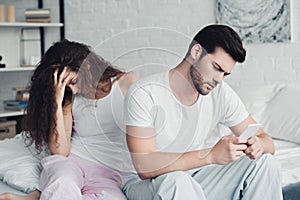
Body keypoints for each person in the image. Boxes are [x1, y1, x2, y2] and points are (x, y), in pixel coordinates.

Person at [123, 24, 283, 199]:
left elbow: (268, 142)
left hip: (196, 177)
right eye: (217, 68)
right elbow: (144, 165)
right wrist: (210, 155)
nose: (219, 80)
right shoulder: (144, 92)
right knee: (177, 181)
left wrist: (258, 145)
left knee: (265, 162)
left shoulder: (221, 93)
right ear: (196, 52)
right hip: (147, 184)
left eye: (225, 74)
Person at [0, 40, 137, 200]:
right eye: (65, 86)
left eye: (72, 82)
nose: (72, 89)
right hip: (73, 162)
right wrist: (56, 101)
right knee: (62, 183)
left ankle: (35, 197)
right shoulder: (69, 99)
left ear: (86, 67)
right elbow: (60, 151)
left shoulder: (125, 83)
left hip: (109, 171)